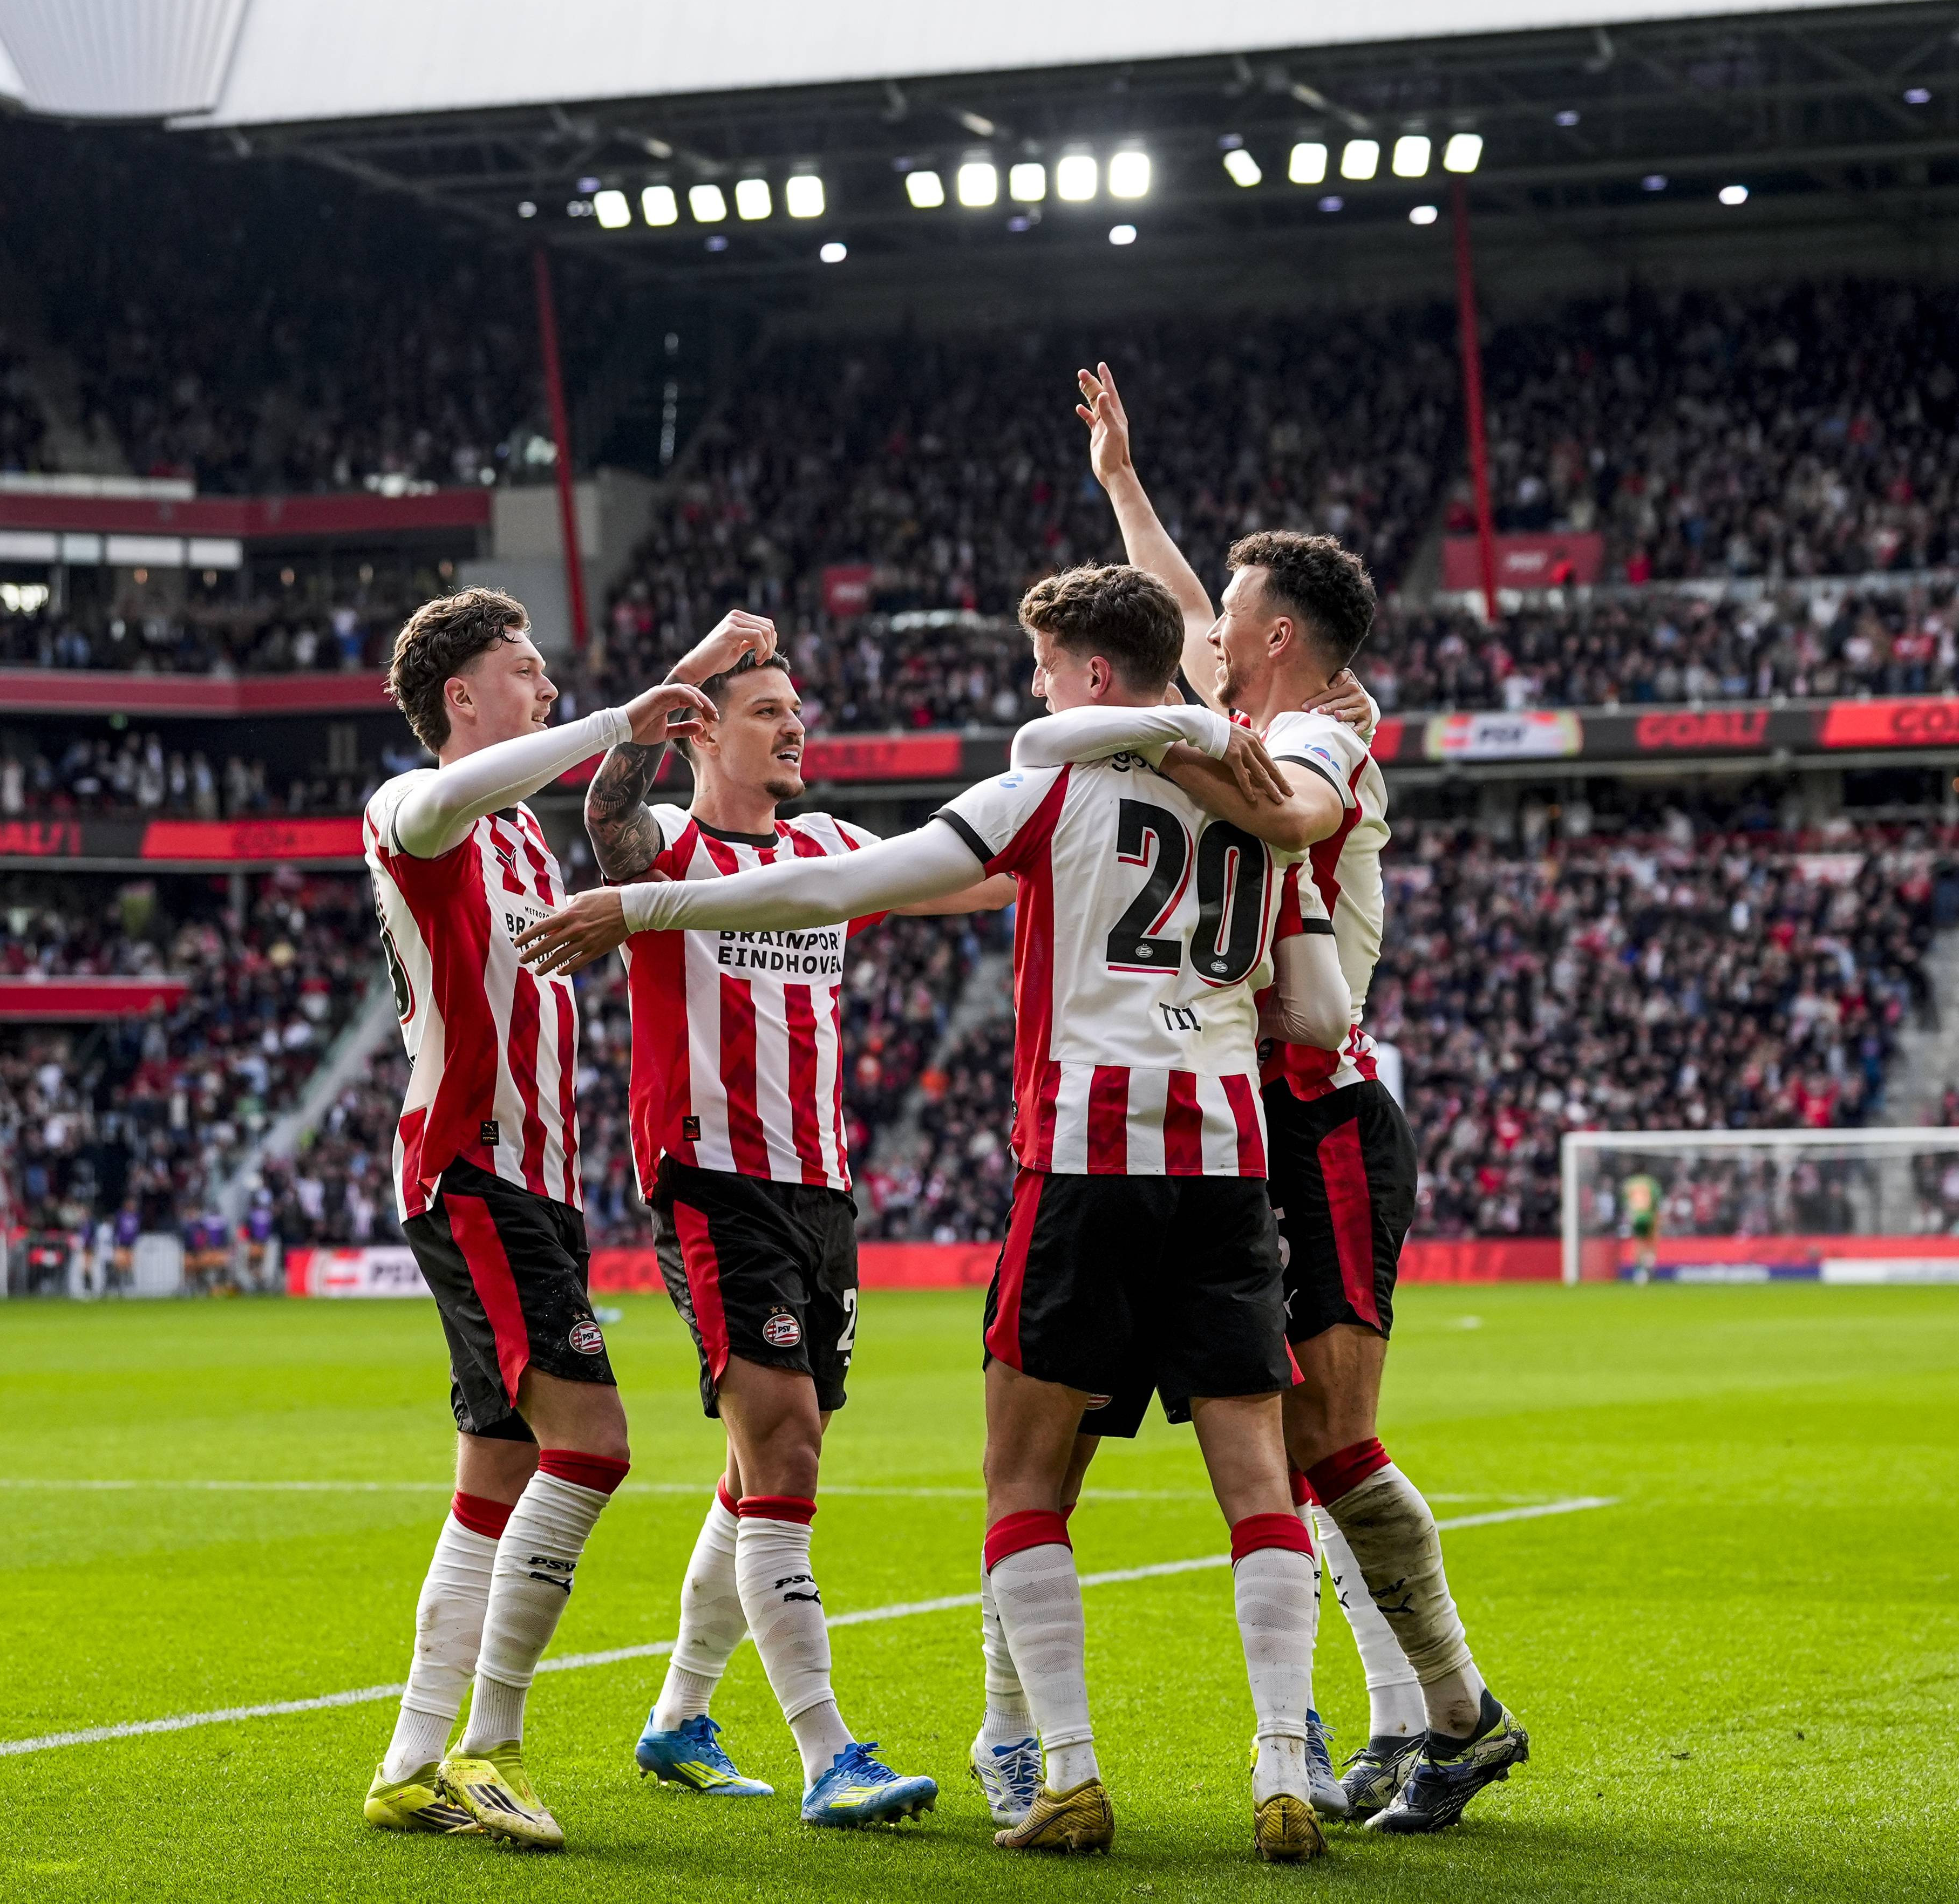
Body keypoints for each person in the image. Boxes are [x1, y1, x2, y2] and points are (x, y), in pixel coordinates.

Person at [521, 563, 1354, 1861]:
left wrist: (637, 909)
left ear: (1089, 674)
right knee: (1254, 1475)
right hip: (1219, 1159)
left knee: (1006, 1474)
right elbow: (1318, 1006)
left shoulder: (1035, 789)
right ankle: (1285, 1763)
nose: (1033, 690)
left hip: (1072, 1157)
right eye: (769, 709)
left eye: (1043, 669)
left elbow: (862, 885)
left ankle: (1059, 1768)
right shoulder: (1257, 802)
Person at [1057, 361, 1532, 1834]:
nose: (1201, 630)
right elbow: (1176, 603)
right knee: (1279, 1442)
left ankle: (1454, 1710)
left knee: (1329, 1436)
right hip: (1228, 1117)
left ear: (1268, 640)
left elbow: (1300, 804)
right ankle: (1408, 1714)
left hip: (1314, 1107)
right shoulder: (1258, 704)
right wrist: (1122, 485)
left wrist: (1121, 729)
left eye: (1226, 617)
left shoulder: (1323, 735)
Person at [584, 609, 1009, 1825]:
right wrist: (689, 673)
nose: (794, 730)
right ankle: (830, 1752)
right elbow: (605, 810)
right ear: (702, 731)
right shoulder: (666, 848)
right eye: (769, 712)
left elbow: (977, 877)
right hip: (714, 1182)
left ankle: (679, 1716)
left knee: (760, 1461)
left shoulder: (827, 845)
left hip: (822, 1191)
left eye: (797, 714)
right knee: (786, 1453)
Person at [353, 586, 716, 1852]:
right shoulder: (413, 805)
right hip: (475, 1171)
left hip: (539, 1191)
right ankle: (490, 1743)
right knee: (594, 1444)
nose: (548, 686)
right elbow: (453, 796)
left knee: (497, 1478)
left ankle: (412, 1761)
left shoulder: (521, 835)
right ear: (461, 696)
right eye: (525, 669)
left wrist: (688, 677)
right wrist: (619, 716)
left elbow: (598, 762)